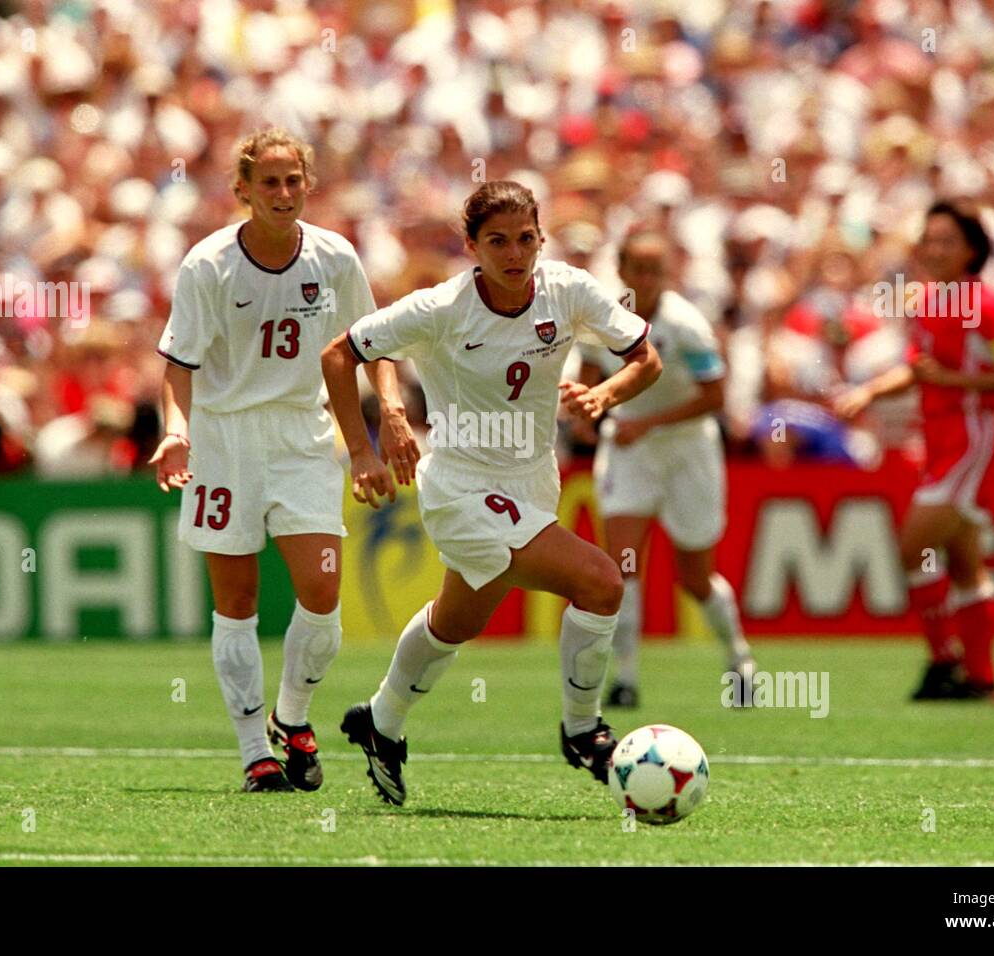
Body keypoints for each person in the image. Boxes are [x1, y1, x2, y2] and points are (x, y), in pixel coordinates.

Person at [321, 180, 662, 806]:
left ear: (542, 239)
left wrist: (603, 396)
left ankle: (380, 721)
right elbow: (342, 353)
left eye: (526, 238)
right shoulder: (442, 306)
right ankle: (583, 730)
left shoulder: (568, 291)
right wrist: (367, 444)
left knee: (457, 620)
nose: (514, 253)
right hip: (459, 486)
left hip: (531, 479)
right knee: (602, 581)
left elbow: (646, 358)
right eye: (497, 241)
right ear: (471, 245)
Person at [150, 128, 417, 792]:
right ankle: (253, 754)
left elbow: (372, 344)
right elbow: (177, 366)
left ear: (309, 184)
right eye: (268, 182)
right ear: (241, 190)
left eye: (293, 180)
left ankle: (291, 716)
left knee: (322, 593)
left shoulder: (334, 258)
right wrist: (175, 430)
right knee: (235, 601)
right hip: (224, 442)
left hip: (302, 438)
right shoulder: (207, 265)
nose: (282, 192)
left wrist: (389, 413)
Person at [835, 200, 994, 700]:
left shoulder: (989, 304)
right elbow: (918, 369)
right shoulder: (928, 300)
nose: (934, 249)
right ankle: (981, 678)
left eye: (947, 241)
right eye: (929, 239)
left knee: (911, 548)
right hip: (940, 436)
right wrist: (870, 392)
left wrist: (954, 380)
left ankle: (945, 659)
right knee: (963, 562)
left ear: (972, 250)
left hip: (971, 436)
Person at [577, 230, 755, 709]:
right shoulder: (603, 321)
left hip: (687, 450)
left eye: (656, 270)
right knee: (623, 564)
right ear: (622, 270)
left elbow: (715, 397)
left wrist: (648, 423)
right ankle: (627, 677)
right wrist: (586, 416)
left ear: (667, 274)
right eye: (638, 268)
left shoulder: (686, 325)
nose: (647, 279)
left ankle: (739, 658)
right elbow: (592, 379)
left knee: (695, 578)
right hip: (630, 450)